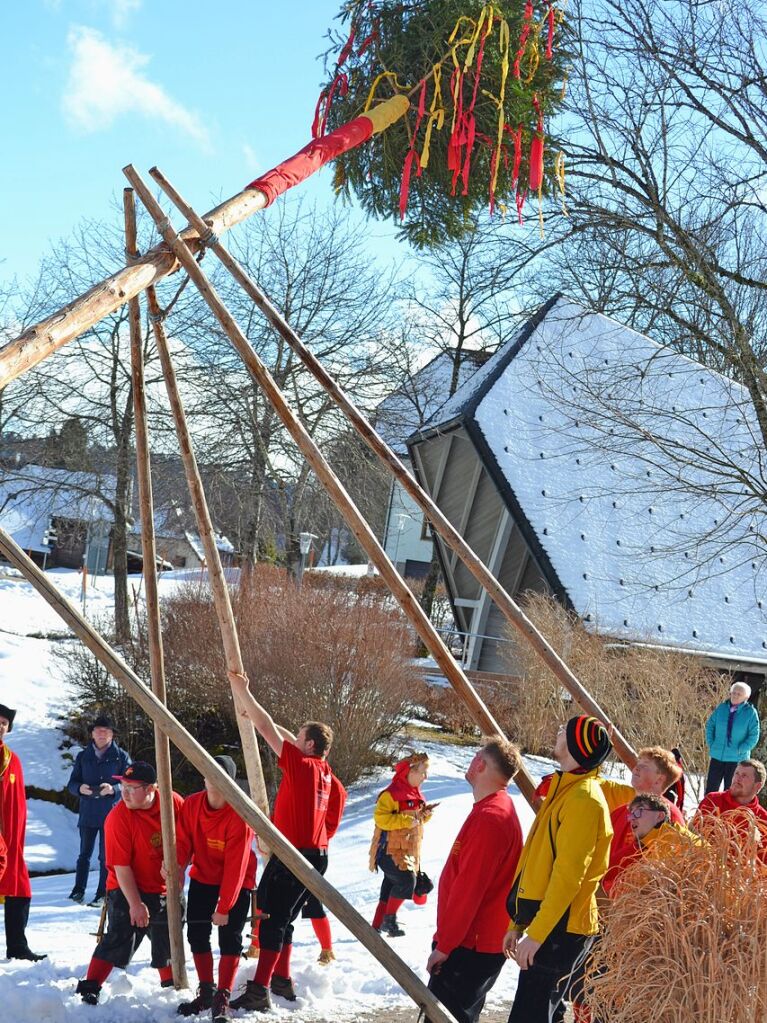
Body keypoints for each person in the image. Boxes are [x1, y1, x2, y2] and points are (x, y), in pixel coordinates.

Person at [227, 670, 347, 1013]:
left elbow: (266, 730)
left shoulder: (303, 765)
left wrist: (244, 692)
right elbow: (333, 822)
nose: (293, 740)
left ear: (308, 745)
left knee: (272, 919)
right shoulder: (329, 776)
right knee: (277, 915)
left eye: (298, 737)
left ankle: (260, 988)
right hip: (315, 854)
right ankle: (280, 978)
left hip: (295, 854)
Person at [504, 715, 613, 1023]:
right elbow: (540, 867)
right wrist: (519, 923)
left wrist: (537, 934)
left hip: (561, 930)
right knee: (539, 1013)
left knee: (530, 1017)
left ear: (578, 745)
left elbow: (568, 878)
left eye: (565, 730)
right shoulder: (566, 789)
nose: (557, 730)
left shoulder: (584, 800)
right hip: (549, 925)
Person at [424, 738, 523, 1023]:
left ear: (480, 764)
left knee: (446, 1018)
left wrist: (445, 945)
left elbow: (469, 891)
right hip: (471, 942)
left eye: (475, 756)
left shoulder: (491, 818)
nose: (472, 761)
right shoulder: (491, 808)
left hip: (470, 945)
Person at [75, 761, 184, 1006]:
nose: (124, 792)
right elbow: (121, 867)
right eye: (122, 785)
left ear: (151, 789)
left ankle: (170, 988)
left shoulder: (173, 803)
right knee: (120, 933)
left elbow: (186, 837)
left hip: (163, 884)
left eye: (132, 787)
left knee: (168, 934)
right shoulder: (117, 817)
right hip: (126, 885)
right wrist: (136, 904)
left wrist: (179, 866)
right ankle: (90, 987)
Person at [175, 754, 256, 1022]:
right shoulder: (192, 804)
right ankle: (207, 991)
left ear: (230, 782)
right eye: (209, 774)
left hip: (237, 881)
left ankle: (223, 997)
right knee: (197, 934)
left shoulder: (239, 814)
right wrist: (176, 868)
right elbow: (184, 841)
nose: (213, 780)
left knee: (229, 938)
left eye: (220, 776)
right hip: (204, 876)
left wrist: (224, 908)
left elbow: (236, 867)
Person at [66, 714, 131, 906]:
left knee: (106, 856)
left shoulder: (121, 756)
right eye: (98, 730)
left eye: (106, 731)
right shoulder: (82, 756)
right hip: (87, 812)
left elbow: (130, 783)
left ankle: (103, 893)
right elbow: (71, 783)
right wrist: (79, 789)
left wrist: (114, 789)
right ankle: (78, 891)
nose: (102, 734)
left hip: (111, 814)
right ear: (92, 734)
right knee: (84, 854)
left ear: (112, 735)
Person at [0, 701, 46, 961]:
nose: (0, 727)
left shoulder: (12, 759)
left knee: (19, 888)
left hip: (10, 840)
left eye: (4, 724)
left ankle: (17, 948)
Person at [369, 752, 432, 937]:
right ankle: (389, 920)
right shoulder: (390, 795)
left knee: (390, 886)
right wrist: (406, 820)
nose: (425, 777)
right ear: (409, 772)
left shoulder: (417, 795)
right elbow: (381, 819)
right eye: (422, 772)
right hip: (388, 851)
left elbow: (415, 822)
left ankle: (376, 927)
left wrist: (424, 816)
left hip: (408, 851)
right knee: (406, 882)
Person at [599, 747, 685, 857]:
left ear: (659, 780)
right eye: (638, 763)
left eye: (644, 765)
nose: (636, 768)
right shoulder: (622, 811)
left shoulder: (670, 816)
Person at [694, 758, 767, 849]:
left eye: (744, 776)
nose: (737, 779)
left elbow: (762, 859)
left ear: (757, 786)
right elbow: (693, 837)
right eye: (736, 773)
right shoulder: (713, 800)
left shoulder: (763, 819)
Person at [704, 682, 760, 793]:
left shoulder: (750, 713)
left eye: (739, 694)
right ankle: (707, 810)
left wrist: (741, 749)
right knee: (711, 790)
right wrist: (711, 743)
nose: (735, 695)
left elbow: (754, 735)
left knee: (731, 791)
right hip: (717, 756)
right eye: (733, 692)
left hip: (736, 759)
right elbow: (710, 725)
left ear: (746, 697)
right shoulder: (722, 708)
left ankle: (730, 811)